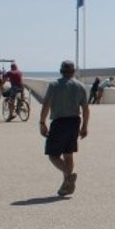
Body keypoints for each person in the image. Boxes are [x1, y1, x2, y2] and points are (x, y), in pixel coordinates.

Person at [38, 60, 90, 197]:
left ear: (61, 71)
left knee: (53, 154)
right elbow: (85, 108)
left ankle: (69, 175)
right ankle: (66, 185)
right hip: (74, 122)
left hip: (59, 122)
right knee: (68, 154)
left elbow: (46, 105)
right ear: (73, 72)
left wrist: (42, 123)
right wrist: (85, 126)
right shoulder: (80, 86)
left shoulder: (54, 85)